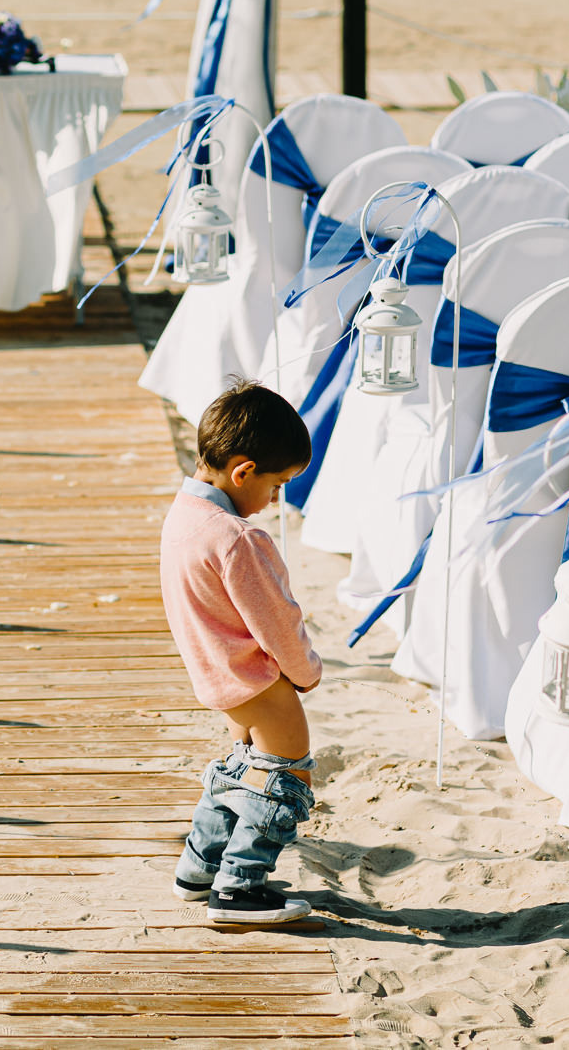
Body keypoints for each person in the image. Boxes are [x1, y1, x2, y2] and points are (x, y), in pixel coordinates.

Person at [159, 378, 322, 925]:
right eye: (277, 484)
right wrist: (305, 673)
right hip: (257, 681)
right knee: (285, 777)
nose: (275, 498)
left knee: (241, 770)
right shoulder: (237, 539)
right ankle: (239, 887)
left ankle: (199, 867)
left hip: (217, 676)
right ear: (244, 471)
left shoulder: (182, 516)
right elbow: (278, 621)